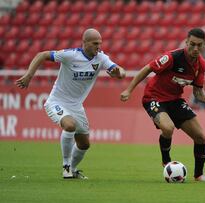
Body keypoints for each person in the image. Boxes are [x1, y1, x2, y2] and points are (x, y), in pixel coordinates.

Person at [15, 28, 126, 179]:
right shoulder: (70, 55)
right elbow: (41, 55)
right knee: (69, 125)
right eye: (95, 43)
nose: (98, 46)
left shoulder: (101, 58)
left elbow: (121, 71)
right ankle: (66, 166)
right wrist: (29, 75)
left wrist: (118, 73)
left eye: (100, 43)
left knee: (84, 144)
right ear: (85, 43)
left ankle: (73, 169)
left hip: (76, 106)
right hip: (56, 101)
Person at [120, 28, 205, 182]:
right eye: (192, 44)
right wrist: (128, 90)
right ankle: (166, 161)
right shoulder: (172, 57)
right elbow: (147, 68)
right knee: (168, 128)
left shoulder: (201, 64)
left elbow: (197, 92)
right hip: (153, 97)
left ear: (204, 45)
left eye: (199, 45)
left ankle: (199, 175)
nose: (195, 48)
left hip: (175, 100)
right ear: (186, 42)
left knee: (200, 137)